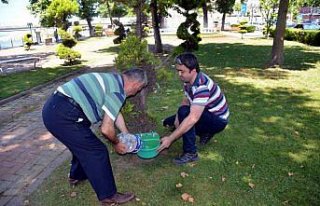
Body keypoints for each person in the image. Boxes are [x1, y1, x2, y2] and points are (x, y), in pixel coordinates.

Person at [42, 68, 147, 205]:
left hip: (54, 108)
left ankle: (76, 176)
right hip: (64, 115)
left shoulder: (112, 81)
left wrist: (126, 133)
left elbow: (114, 112)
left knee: (82, 145)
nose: (136, 93)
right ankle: (109, 196)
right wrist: (116, 143)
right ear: (136, 85)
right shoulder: (117, 91)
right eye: (138, 89)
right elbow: (106, 129)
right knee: (97, 151)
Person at [157, 53, 229, 165]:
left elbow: (193, 118)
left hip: (218, 120)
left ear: (193, 71)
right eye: (178, 71)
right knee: (168, 122)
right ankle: (205, 133)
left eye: (182, 71)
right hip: (205, 112)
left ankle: (191, 153)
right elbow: (186, 100)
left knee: (185, 115)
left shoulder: (201, 87)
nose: (179, 74)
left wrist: (170, 139)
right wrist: (177, 119)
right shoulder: (189, 80)